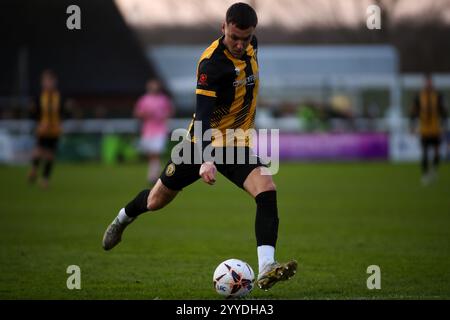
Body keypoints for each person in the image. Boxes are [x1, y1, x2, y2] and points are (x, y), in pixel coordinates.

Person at [102, 2, 297, 291]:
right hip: (200, 143)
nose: (241, 44)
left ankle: (267, 265)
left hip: (235, 143)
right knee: (156, 200)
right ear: (223, 28)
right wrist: (206, 160)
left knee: (266, 189)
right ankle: (122, 219)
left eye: (246, 38)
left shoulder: (251, 43)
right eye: (234, 38)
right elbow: (203, 117)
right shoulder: (211, 65)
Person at [27, 69, 66, 188]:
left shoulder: (59, 97)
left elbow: (63, 112)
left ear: (55, 82)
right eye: (46, 81)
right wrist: (38, 123)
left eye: (50, 81)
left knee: (50, 155)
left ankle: (45, 179)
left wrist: (61, 122)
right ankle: (34, 169)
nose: (48, 83)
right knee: (38, 150)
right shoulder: (39, 97)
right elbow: (33, 113)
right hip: (42, 129)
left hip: (54, 131)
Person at [134, 79, 173, 184]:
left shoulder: (163, 99)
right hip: (147, 130)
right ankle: (155, 173)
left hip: (160, 130)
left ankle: (153, 176)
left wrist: (162, 116)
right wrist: (146, 114)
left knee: (156, 153)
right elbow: (138, 113)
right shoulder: (144, 99)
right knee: (151, 154)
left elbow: (169, 111)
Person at [410, 74, 447, 185]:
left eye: (430, 82)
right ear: (425, 83)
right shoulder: (419, 96)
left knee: (436, 152)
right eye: (427, 82)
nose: (428, 84)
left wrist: (444, 124)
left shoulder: (438, 95)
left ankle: (434, 170)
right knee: (424, 152)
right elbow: (413, 112)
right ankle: (425, 174)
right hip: (424, 129)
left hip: (435, 129)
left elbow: (444, 111)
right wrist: (412, 125)